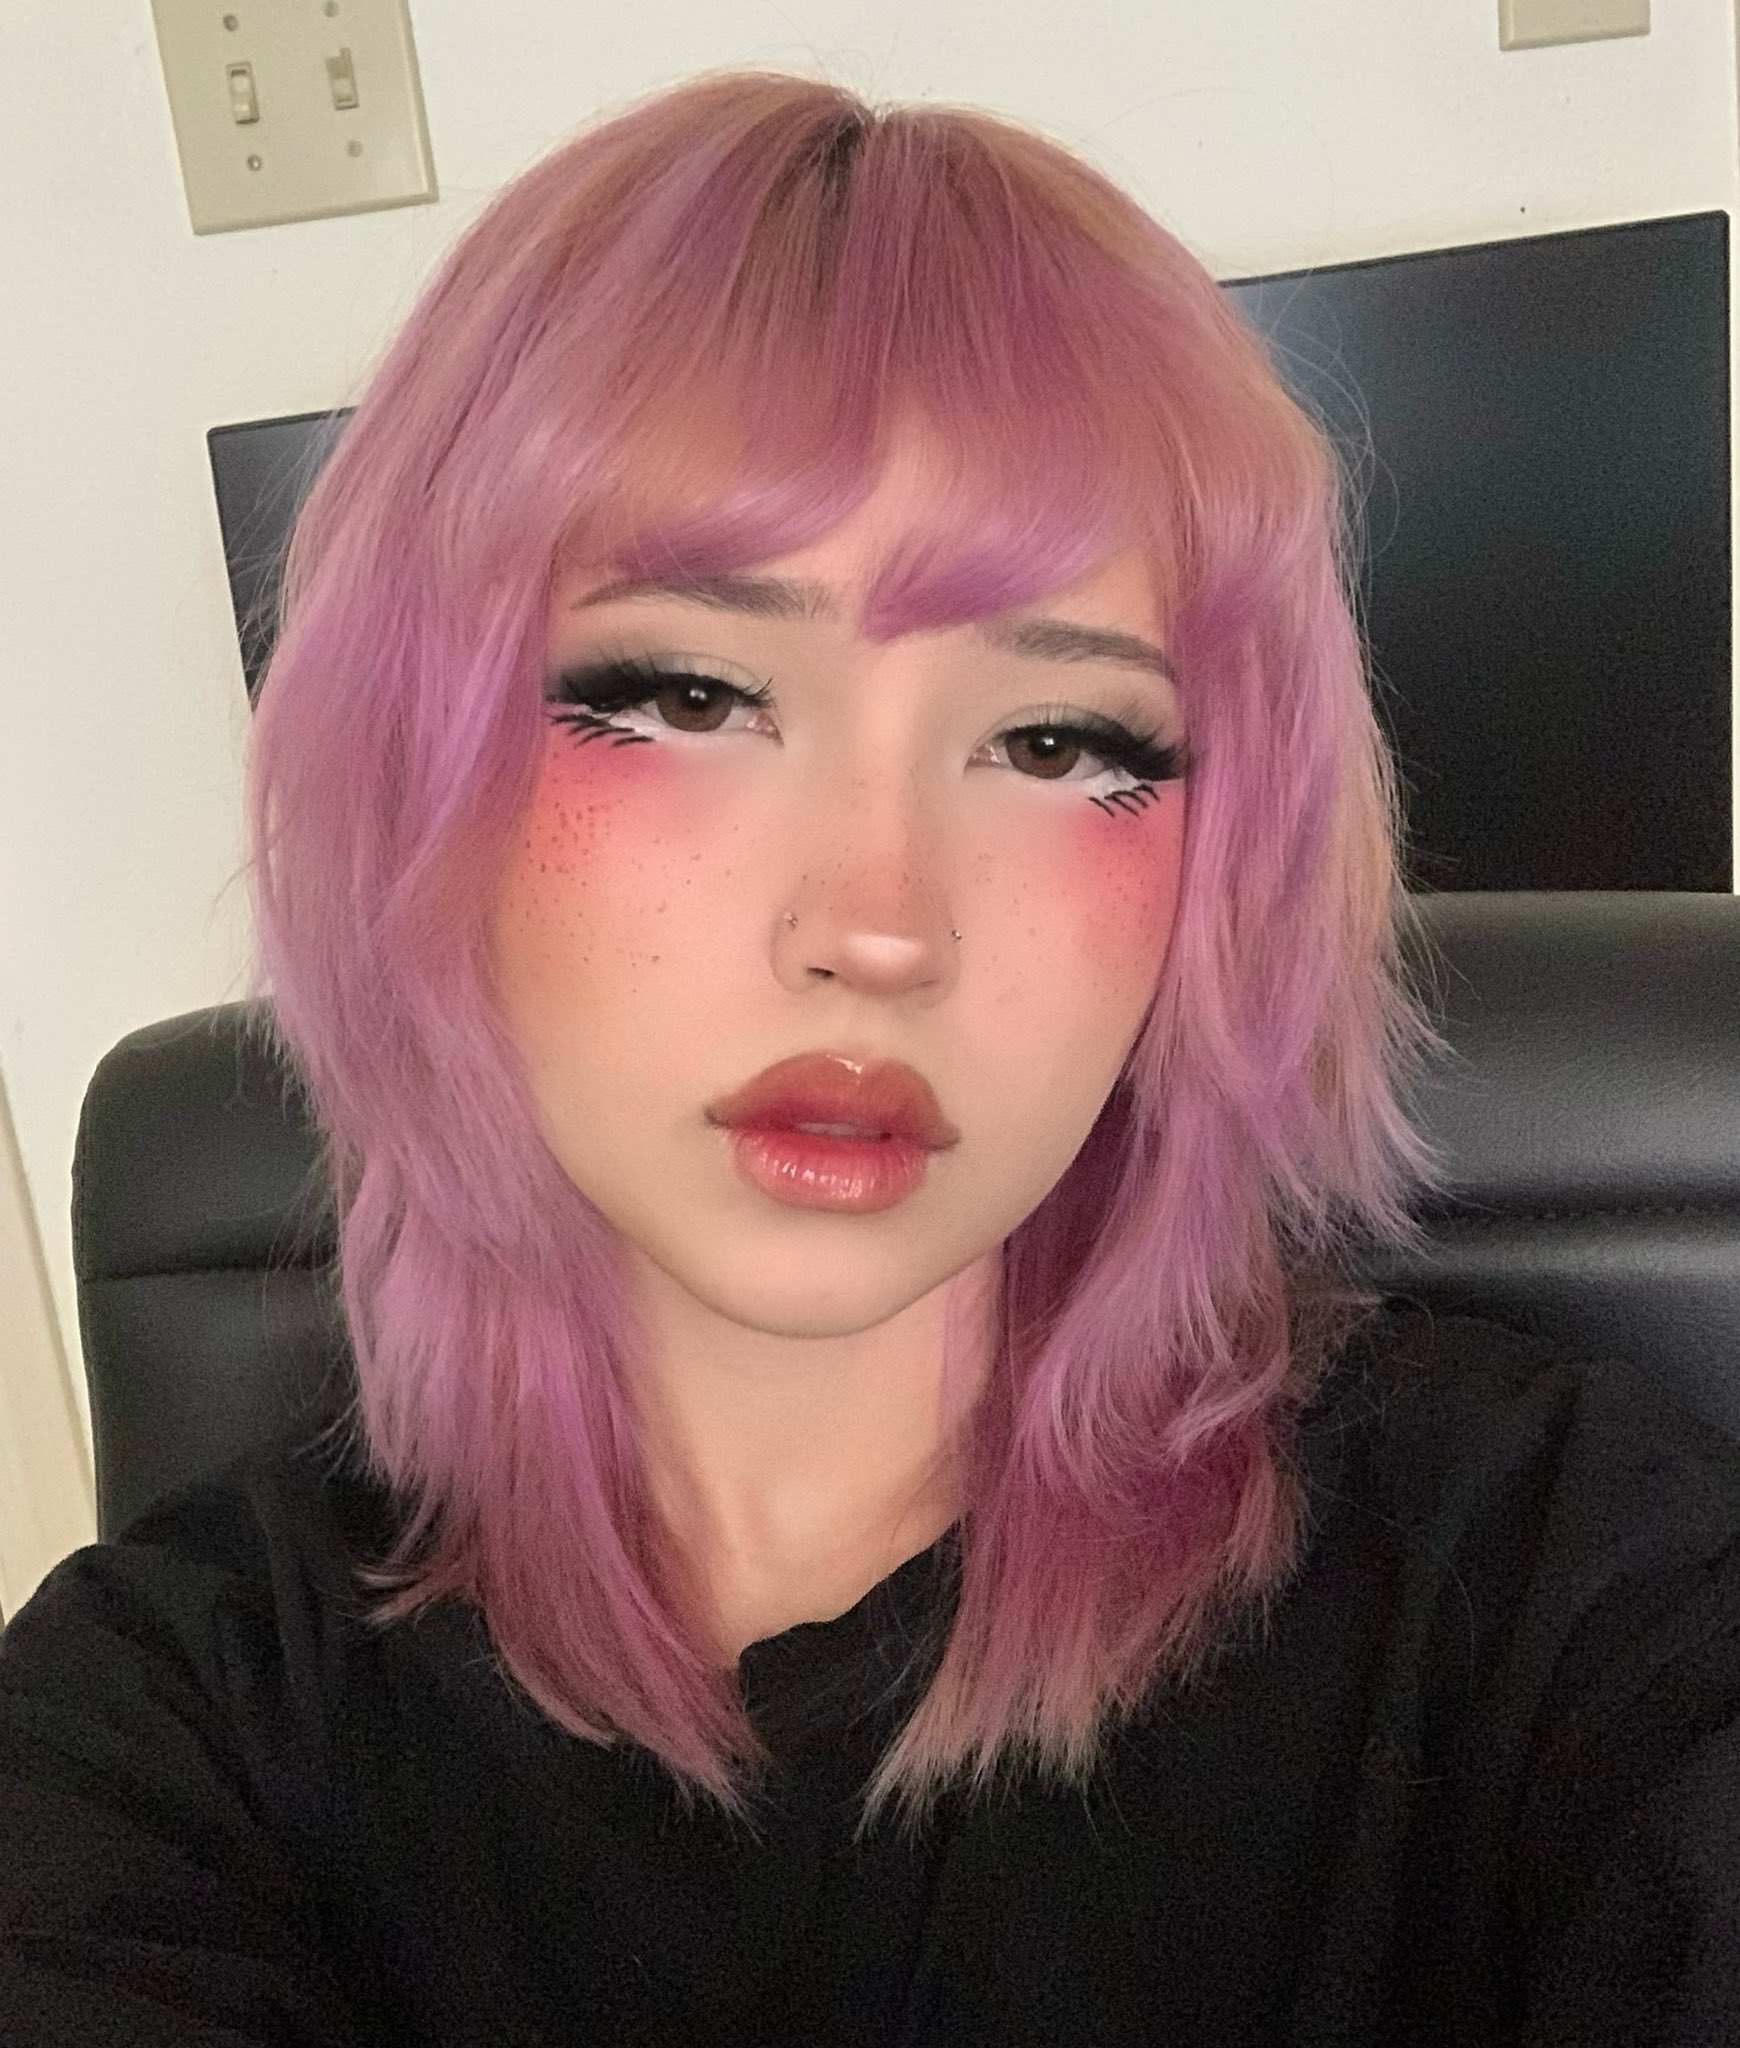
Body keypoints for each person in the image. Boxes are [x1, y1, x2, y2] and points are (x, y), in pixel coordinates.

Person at [3, 65, 1738, 2047]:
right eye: (687, 694)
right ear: (423, 776)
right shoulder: (163, 1738)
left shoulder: (1556, 1584)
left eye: (1058, 740)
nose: (878, 923)